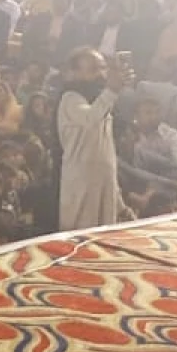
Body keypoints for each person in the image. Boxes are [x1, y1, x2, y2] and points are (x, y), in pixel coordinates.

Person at [56, 48, 132, 229]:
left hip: (105, 185)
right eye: (94, 69)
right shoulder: (70, 99)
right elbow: (90, 118)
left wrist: (120, 204)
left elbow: (106, 156)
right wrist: (112, 90)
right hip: (80, 186)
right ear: (75, 73)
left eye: (103, 68)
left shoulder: (102, 103)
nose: (101, 75)